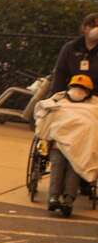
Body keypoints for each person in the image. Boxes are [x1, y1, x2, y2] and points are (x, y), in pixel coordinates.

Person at [35, 74, 98, 218]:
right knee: (59, 164)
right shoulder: (58, 101)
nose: (78, 90)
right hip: (59, 144)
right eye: (76, 87)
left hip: (81, 147)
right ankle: (54, 198)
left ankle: (68, 200)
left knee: (75, 166)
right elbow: (46, 116)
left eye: (82, 88)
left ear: (88, 92)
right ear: (70, 88)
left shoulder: (94, 106)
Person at [49, 13, 98, 95]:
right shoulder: (70, 48)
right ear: (84, 28)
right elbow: (60, 73)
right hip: (70, 94)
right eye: (93, 26)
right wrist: (56, 96)